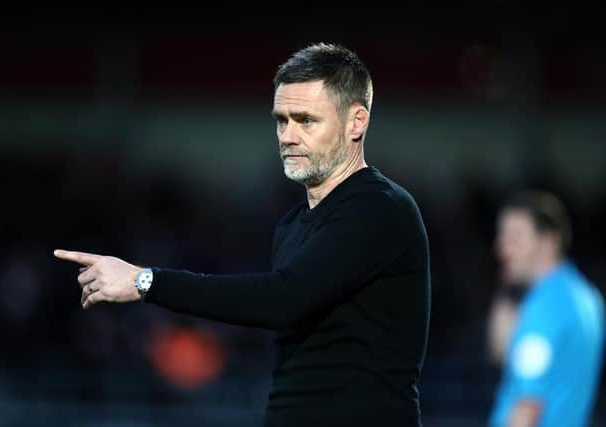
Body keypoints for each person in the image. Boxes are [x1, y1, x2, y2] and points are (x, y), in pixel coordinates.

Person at [54, 43, 431, 426]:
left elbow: (282, 298)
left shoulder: (381, 209)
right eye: (281, 120)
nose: (287, 136)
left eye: (306, 120)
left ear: (357, 122)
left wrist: (145, 281)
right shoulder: (291, 225)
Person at [488, 190, 605, 427]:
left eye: (516, 237)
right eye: (502, 236)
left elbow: (526, 407)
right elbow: (501, 353)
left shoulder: (545, 308)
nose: (502, 248)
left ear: (548, 242)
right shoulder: (587, 297)